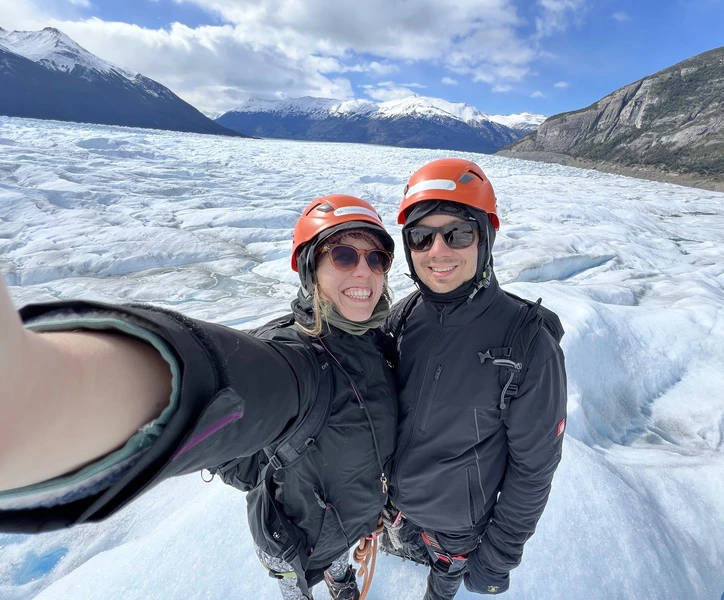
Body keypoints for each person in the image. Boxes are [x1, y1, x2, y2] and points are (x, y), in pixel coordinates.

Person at [0, 195, 399, 600]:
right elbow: (226, 378)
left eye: (376, 258)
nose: (363, 271)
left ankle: (339, 577)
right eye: (344, 255)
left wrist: (374, 508)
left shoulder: (377, 344)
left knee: (338, 560)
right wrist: (52, 387)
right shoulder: (302, 363)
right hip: (293, 539)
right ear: (310, 268)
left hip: (351, 522)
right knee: (294, 586)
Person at [380, 158, 568, 599]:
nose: (437, 251)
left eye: (458, 233)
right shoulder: (404, 317)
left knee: (442, 583)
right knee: (408, 548)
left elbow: (533, 471)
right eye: (421, 237)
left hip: (457, 529)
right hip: (395, 508)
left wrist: (497, 558)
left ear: (485, 237)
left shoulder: (528, 346)